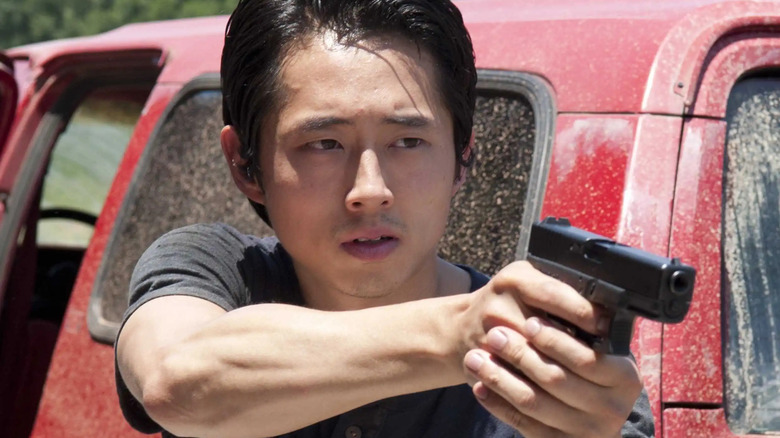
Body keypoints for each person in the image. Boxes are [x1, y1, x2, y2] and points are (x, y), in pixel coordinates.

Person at [115, 0, 653, 437]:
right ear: (244, 163)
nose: (370, 191)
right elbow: (176, 380)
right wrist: (461, 336)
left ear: (464, 156)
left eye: (409, 141)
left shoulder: (551, 367)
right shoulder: (215, 270)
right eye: (324, 143)